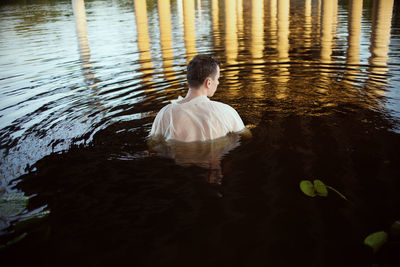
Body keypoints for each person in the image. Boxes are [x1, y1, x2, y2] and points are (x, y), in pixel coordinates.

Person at [149, 54, 246, 143]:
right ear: (208, 83)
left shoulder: (164, 114)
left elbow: (153, 144)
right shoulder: (226, 112)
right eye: (217, 79)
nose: (218, 83)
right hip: (212, 161)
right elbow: (246, 136)